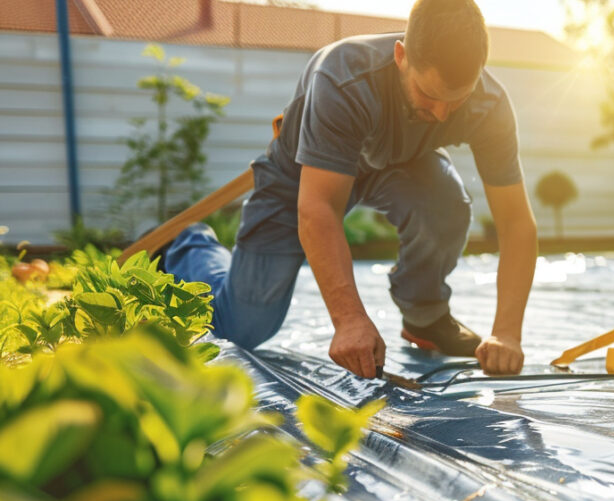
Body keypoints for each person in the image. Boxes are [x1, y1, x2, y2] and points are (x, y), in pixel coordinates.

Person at [163, 0, 536, 377]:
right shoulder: (344, 77)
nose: (442, 115)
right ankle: (189, 246)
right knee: (243, 327)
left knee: (445, 203)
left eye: (457, 100)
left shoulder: (489, 105)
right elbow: (319, 207)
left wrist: (507, 334)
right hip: (299, 178)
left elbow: (517, 224)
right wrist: (349, 319)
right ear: (401, 56)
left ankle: (425, 317)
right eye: (429, 95)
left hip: (397, 163)